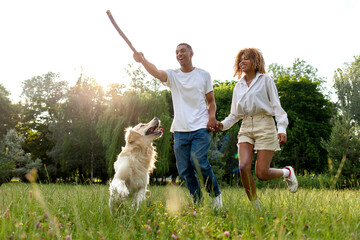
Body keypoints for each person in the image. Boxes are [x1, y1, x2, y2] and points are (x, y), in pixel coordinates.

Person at [133, 43, 222, 208]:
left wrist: (211, 117)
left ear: (191, 53)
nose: (179, 54)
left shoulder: (204, 75)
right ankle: (198, 203)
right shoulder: (173, 76)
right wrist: (143, 60)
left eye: (182, 51)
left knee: (199, 161)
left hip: (201, 127)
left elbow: (211, 101)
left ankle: (215, 196)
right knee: (185, 170)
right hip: (180, 130)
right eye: (177, 52)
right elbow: (157, 72)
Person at [215, 48, 297, 211]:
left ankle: (286, 172)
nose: (242, 62)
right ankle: (256, 208)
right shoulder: (238, 86)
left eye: (246, 59)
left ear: (256, 61)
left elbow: (276, 107)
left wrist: (281, 128)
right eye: (240, 60)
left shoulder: (266, 80)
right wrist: (221, 125)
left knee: (262, 173)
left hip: (265, 125)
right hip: (246, 127)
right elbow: (234, 115)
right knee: (244, 168)